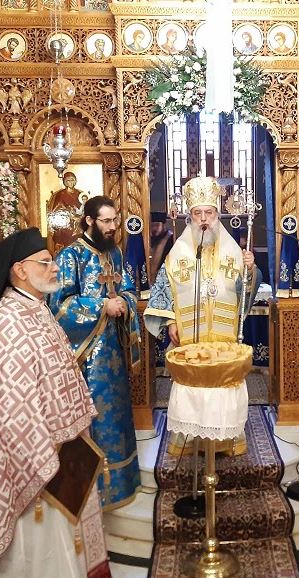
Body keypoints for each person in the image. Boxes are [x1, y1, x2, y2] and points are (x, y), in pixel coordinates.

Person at [0, 228, 110, 578]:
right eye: (44, 262)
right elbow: (9, 405)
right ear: (20, 270)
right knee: (41, 556)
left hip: (65, 450)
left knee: (64, 545)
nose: (54, 267)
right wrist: (42, 456)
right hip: (37, 462)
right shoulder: (8, 322)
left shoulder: (36, 309)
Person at [49, 196, 142, 510]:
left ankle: (122, 484)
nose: (113, 226)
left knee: (117, 415)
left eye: (114, 220)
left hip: (114, 350)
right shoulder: (70, 256)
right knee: (95, 418)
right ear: (89, 221)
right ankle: (93, 492)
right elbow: (58, 305)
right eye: (106, 221)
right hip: (85, 358)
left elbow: (129, 290)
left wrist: (124, 303)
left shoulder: (115, 253)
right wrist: (102, 305)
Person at [144, 176, 260, 348]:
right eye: (197, 213)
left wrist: (249, 270)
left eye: (209, 212)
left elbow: (244, 291)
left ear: (217, 215)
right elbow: (165, 287)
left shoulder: (232, 250)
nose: (204, 218)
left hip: (224, 336)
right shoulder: (179, 251)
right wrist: (171, 321)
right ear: (190, 216)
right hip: (187, 335)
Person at [46, 171, 85, 253]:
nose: (70, 182)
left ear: (75, 181)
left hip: (79, 220)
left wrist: (80, 215)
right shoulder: (60, 194)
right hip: (66, 221)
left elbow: (85, 207)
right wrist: (70, 213)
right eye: (68, 180)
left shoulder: (80, 194)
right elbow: (57, 210)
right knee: (66, 233)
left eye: (72, 180)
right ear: (64, 182)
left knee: (83, 231)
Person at [149, 211, 174, 286]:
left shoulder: (171, 239)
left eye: (157, 225)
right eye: (152, 225)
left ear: (164, 225)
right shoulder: (151, 239)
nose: (154, 228)